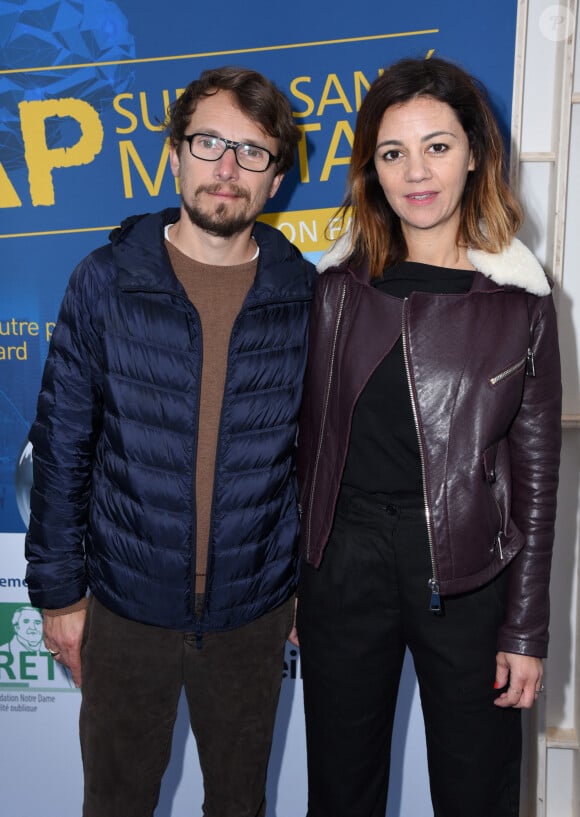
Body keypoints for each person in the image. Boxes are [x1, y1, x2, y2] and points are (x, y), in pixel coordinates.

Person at [24, 65, 316, 817]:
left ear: (276, 177)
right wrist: (60, 593)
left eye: (253, 152)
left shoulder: (306, 297)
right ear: (173, 154)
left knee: (239, 804)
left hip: (252, 615)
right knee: (116, 802)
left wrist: (303, 589)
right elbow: (61, 446)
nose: (227, 168)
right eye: (210, 142)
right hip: (124, 606)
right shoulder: (105, 280)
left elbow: (316, 461)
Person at [294, 56, 562, 817]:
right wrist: (296, 582)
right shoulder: (332, 290)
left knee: (478, 795)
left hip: (470, 576)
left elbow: (537, 481)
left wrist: (527, 627)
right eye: (393, 152)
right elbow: (304, 449)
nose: (417, 171)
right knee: (340, 796)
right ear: (370, 170)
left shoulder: (522, 303)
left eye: (437, 146)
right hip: (342, 569)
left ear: (475, 152)